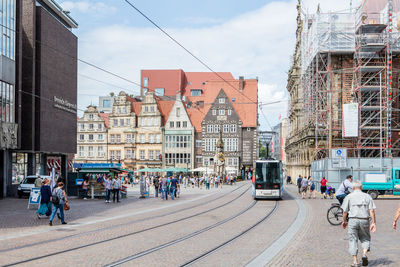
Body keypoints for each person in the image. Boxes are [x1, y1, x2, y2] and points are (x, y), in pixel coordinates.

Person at [341, 180, 376, 267]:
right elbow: (372, 211)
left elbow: (344, 212)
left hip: (353, 220)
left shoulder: (349, 197)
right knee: (365, 238)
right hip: (364, 220)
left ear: (353, 188)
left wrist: (344, 221)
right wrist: (374, 222)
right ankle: (364, 253)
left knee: (353, 239)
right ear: (361, 187)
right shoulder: (367, 196)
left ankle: (355, 261)